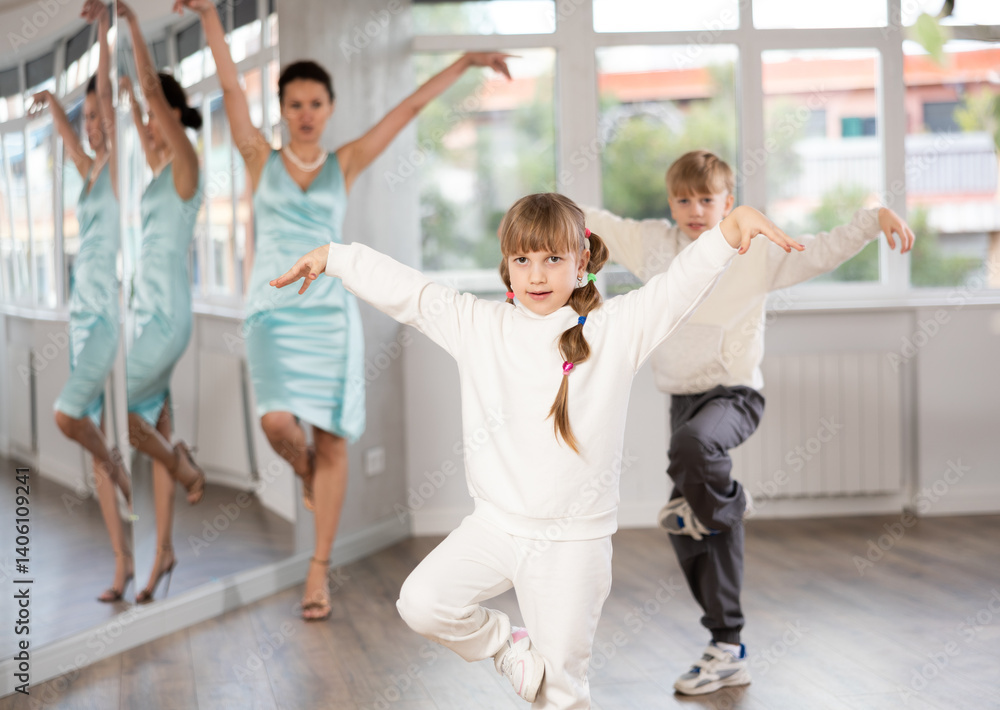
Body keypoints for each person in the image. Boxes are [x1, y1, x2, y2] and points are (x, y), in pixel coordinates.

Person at [270, 192, 802, 708]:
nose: (538, 274)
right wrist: (335, 257)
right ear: (506, 267)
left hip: (574, 545)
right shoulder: (479, 325)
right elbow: (412, 293)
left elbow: (675, 289)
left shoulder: (615, 330)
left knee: (560, 695)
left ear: (583, 260)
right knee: (422, 603)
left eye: (553, 258)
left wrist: (730, 232)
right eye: (522, 259)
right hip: (495, 528)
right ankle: (507, 645)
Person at [175, 0, 514, 621]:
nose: (305, 114)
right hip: (273, 313)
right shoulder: (259, 159)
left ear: (329, 109)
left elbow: (406, 111)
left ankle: (317, 574)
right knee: (278, 423)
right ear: (281, 110)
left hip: (332, 316)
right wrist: (208, 18)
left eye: (316, 103)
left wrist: (466, 60)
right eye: (294, 104)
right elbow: (228, 84)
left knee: (334, 439)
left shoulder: (344, 162)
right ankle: (301, 469)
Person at [582, 149, 915, 696]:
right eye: (683, 200)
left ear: (727, 203)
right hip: (683, 401)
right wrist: (545, 214)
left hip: (735, 397)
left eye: (706, 199)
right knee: (691, 536)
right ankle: (727, 645)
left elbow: (821, 248)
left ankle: (729, 505)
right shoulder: (657, 246)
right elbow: (596, 221)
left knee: (694, 454)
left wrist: (873, 219)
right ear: (670, 203)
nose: (694, 209)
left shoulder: (755, 251)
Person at [35, 0, 131, 603]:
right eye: (87, 117)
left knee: (68, 419)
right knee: (88, 431)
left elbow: (111, 106)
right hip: (79, 318)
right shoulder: (89, 170)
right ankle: (121, 565)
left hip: (104, 318)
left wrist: (103, 28)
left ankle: (117, 464)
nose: (93, 125)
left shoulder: (118, 167)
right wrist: (52, 106)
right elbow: (72, 140)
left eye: (100, 117)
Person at [118, 0, 208, 604]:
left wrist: (130, 23)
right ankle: (164, 553)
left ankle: (183, 464)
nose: (147, 125)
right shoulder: (159, 171)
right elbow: (138, 99)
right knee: (153, 424)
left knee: (122, 416)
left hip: (166, 316)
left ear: (173, 117)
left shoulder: (187, 167)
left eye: (156, 117)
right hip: (148, 313)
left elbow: (149, 93)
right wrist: (113, 61)